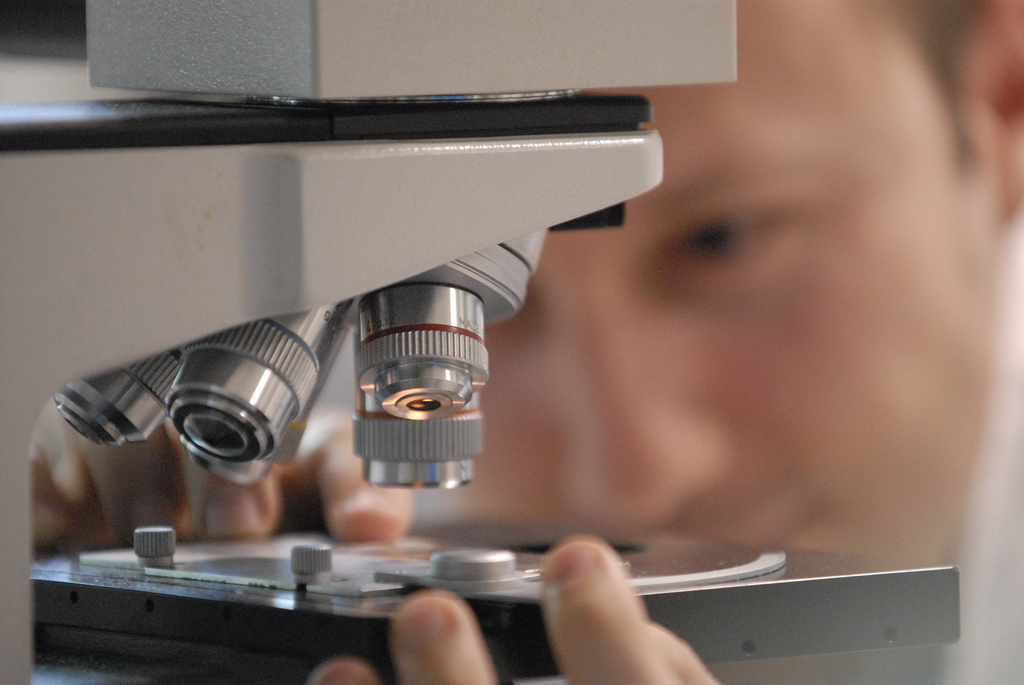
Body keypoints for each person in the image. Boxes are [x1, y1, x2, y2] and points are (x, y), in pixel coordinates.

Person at [29, 0, 1024, 682]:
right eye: (498, 300)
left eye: (723, 239)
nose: (628, 474)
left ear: (1004, 96)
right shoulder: (324, 450)